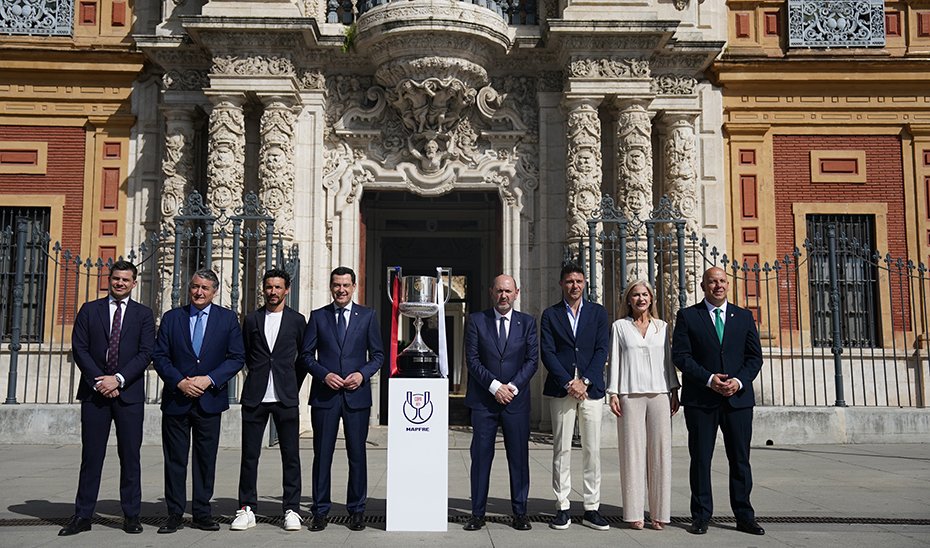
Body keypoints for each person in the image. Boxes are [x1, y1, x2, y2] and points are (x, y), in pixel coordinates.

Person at [59, 260, 155, 536]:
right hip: (95, 394)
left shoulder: (144, 314)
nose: (120, 283)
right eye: (116, 279)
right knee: (91, 456)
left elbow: (146, 352)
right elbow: (80, 348)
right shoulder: (90, 310)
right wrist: (101, 381)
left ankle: (132, 515)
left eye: (126, 280)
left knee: (130, 456)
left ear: (134, 283)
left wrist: (119, 379)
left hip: (129, 395)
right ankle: (82, 515)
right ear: (109, 279)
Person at [672, 266, 765, 536]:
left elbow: (754, 357)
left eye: (722, 281)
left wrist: (738, 382)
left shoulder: (744, 317)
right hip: (702, 399)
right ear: (703, 286)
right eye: (712, 282)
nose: (718, 286)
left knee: (740, 460)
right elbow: (681, 356)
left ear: (728, 284)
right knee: (701, 459)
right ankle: (701, 515)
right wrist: (710, 379)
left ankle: (744, 516)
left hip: (738, 400)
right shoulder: (689, 316)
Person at [152, 268, 245, 534]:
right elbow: (160, 357)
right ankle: (174, 513)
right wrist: (180, 381)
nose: (198, 292)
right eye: (195, 286)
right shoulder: (172, 318)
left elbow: (236, 357)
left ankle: (202, 512)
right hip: (176, 399)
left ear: (215, 291)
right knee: (175, 459)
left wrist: (209, 380)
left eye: (204, 288)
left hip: (209, 400)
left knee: (205, 459)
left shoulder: (227, 319)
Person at [301, 266, 384, 532]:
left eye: (346, 285)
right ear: (330, 286)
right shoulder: (318, 316)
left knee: (357, 455)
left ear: (354, 286)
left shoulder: (368, 316)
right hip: (325, 396)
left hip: (356, 396)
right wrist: (324, 375)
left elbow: (379, 356)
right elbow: (305, 356)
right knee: (322, 456)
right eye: (337, 285)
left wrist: (362, 374)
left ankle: (357, 510)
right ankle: (320, 511)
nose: (341, 290)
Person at [231, 268, 307, 532]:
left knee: (291, 456)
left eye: (278, 287)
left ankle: (292, 509)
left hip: (285, 397)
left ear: (287, 290)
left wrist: (290, 384)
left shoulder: (298, 320)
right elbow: (246, 353)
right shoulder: (251, 319)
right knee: (249, 455)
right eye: (269, 287)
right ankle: (246, 508)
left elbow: (303, 359)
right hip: (255, 396)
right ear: (263, 289)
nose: (273, 292)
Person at [462, 274, 539, 532]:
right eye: (499, 291)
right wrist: (495, 387)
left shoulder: (527, 323)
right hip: (484, 402)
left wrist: (512, 388)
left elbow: (531, 361)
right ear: (491, 292)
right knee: (481, 459)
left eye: (508, 291)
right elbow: (472, 360)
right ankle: (477, 513)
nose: (503, 295)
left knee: (518, 459)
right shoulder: (476, 321)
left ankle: (520, 513)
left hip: (516, 403)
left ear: (517, 292)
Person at [539, 263, 610, 531]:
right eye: (569, 281)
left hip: (591, 390)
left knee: (592, 450)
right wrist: (570, 382)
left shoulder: (598, 313)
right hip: (562, 388)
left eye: (579, 281)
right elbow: (548, 352)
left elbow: (602, 349)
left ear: (585, 284)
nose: (574, 286)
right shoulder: (550, 315)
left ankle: (592, 507)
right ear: (561, 284)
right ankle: (562, 506)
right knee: (562, 449)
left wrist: (586, 381)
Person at [607, 280, 680, 531]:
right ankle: (634, 513)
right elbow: (614, 359)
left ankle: (660, 513)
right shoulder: (619, 327)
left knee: (661, 454)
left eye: (645, 295)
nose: (641, 299)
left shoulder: (662, 327)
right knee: (632, 453)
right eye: (636, 295)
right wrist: (613, 392)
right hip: (629, 393)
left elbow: (668, 361)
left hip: (659, 392)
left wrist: (674, 389)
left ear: (651, 299)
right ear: (628, 299)